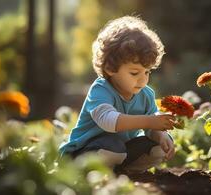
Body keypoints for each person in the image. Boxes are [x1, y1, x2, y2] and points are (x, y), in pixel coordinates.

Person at [59, 16, 176, 173]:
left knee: (157, 147)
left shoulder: (146, 94)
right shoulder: (101, 89)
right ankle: (87, 171)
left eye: (147, 71)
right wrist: (150, 121)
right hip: (86, 150)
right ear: (110, 69)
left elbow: (151, 126)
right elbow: (109, 121)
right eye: (134, 73)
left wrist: (160, 135)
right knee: (113, 146)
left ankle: (124, 170)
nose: (143, 79)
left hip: (121, 151)